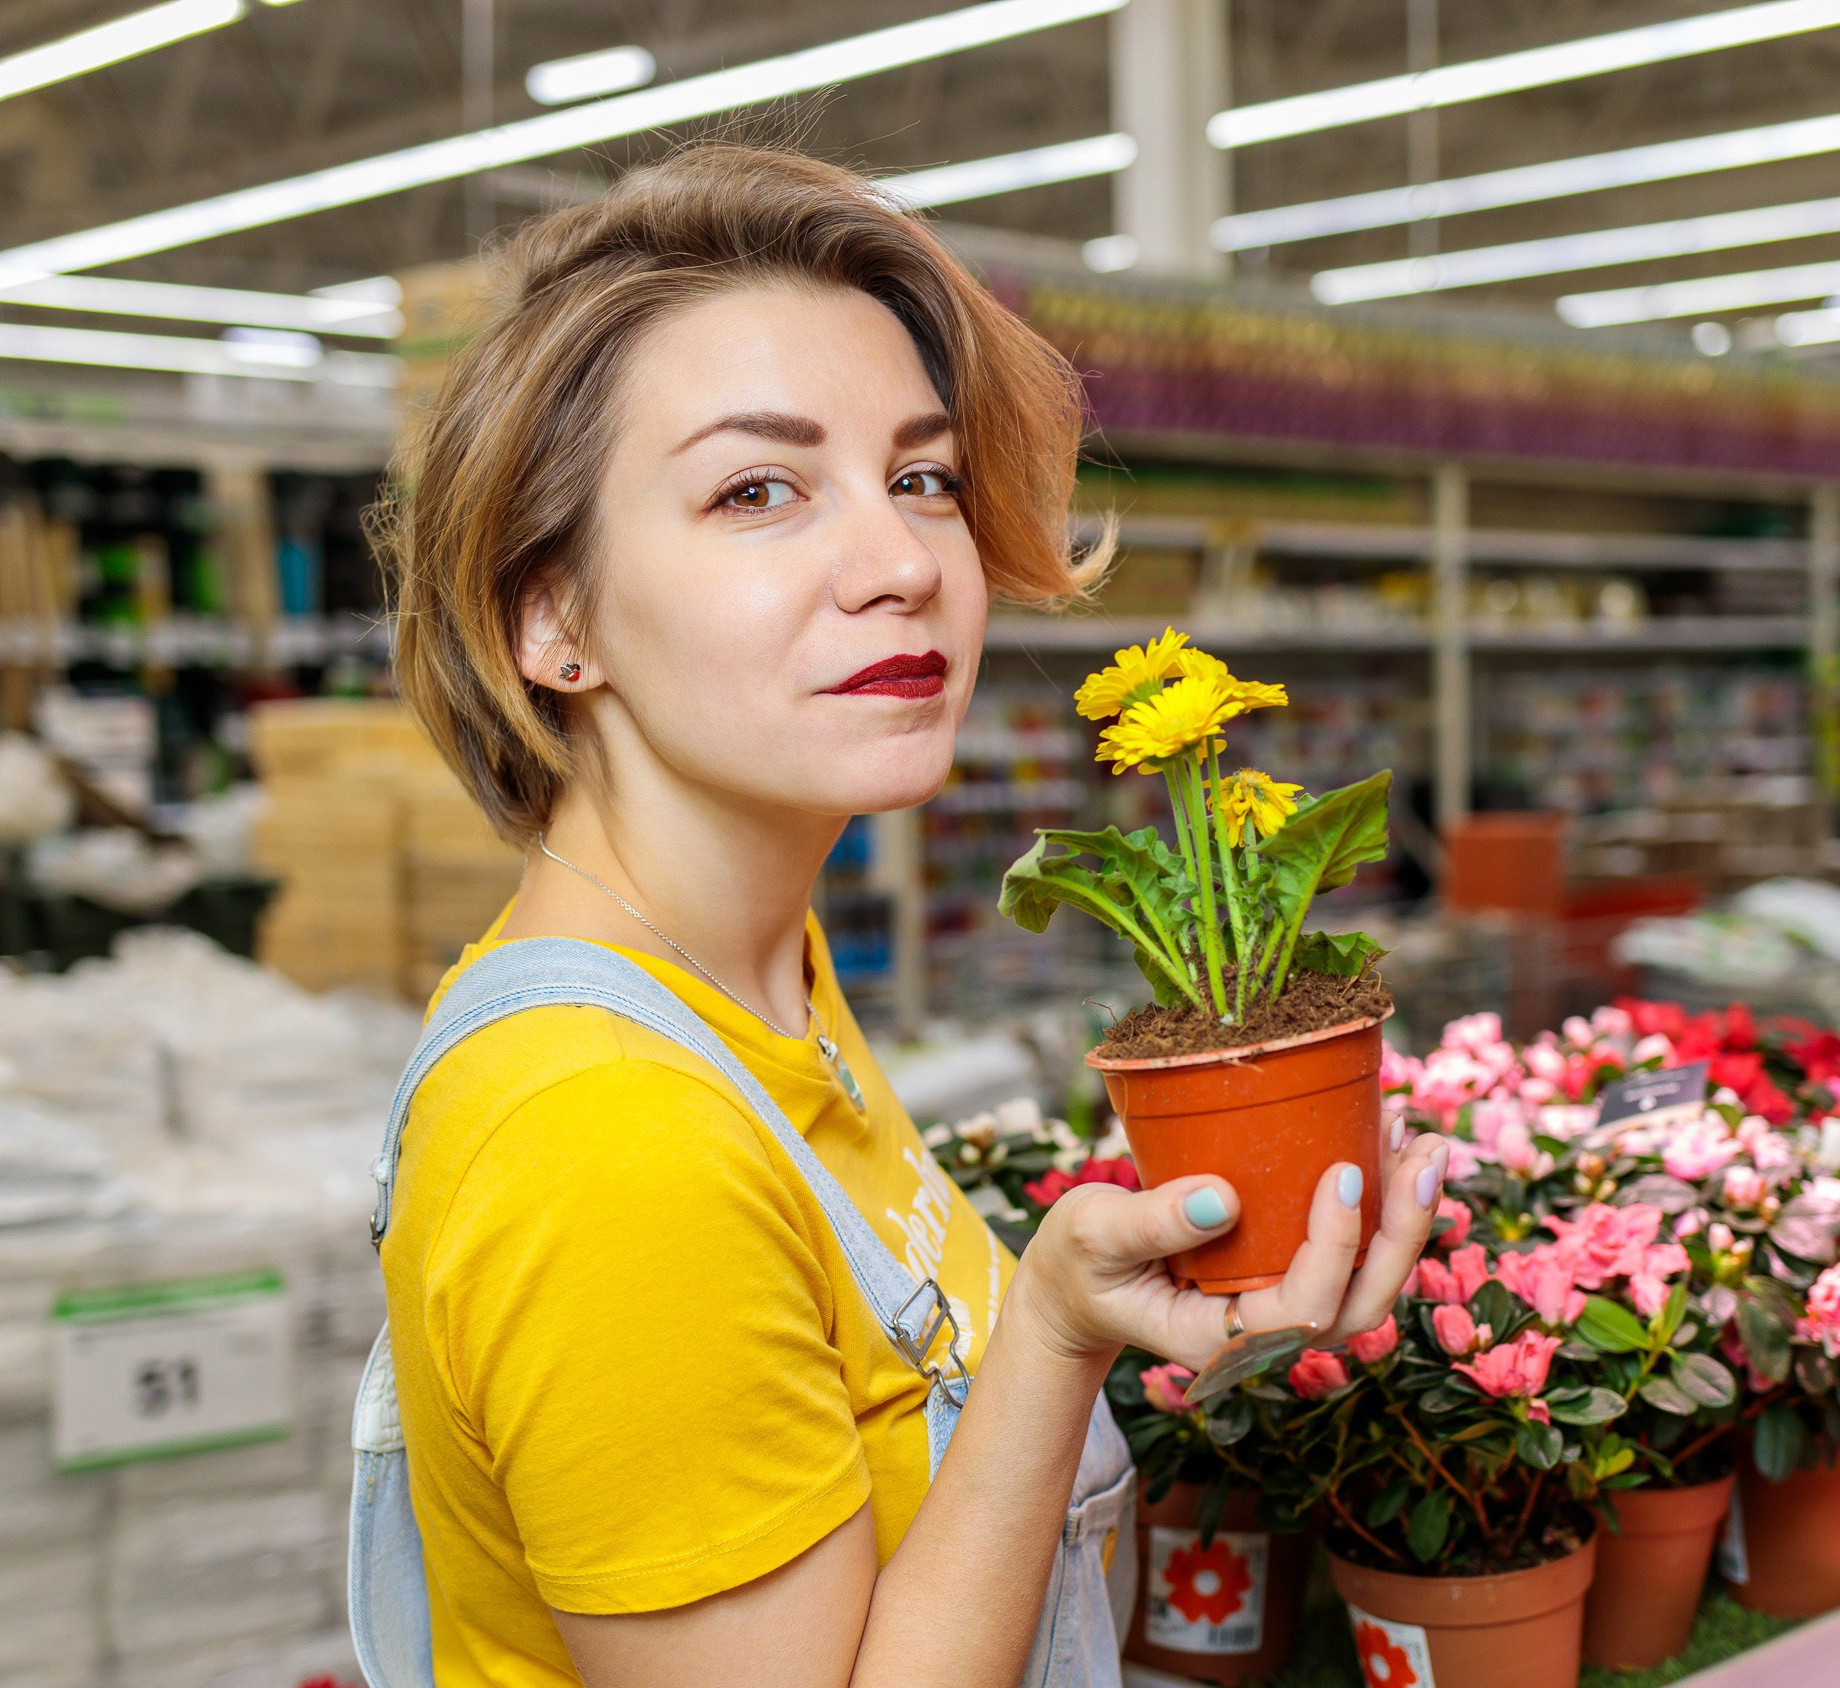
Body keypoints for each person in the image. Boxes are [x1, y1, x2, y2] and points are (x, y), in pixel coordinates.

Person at [376, 143, 1449, 1688]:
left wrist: (1105, 1319)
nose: (899, 563)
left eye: (921, 478)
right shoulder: (611, 1137)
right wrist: (1056, 1339)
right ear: (549, 615)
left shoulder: (757, 987)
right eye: (758, 489)